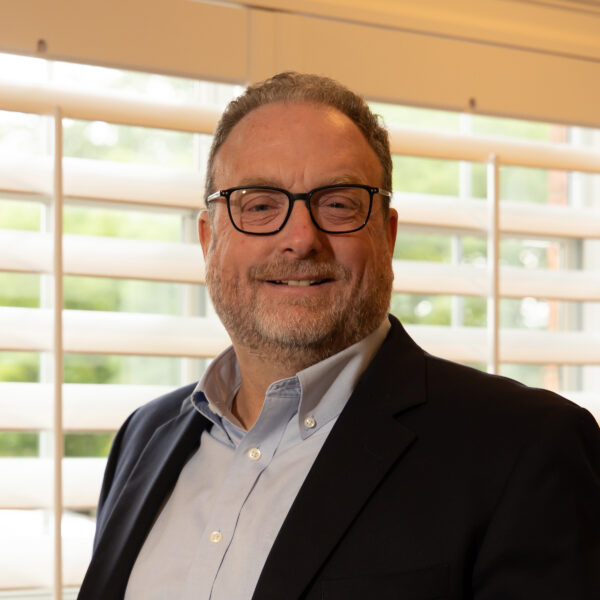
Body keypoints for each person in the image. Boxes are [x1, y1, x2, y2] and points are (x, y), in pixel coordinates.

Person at [78, 72, 600, 600]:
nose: (301, 238)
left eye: (338, 204)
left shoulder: (527, 446)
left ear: (387, 236)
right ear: (208, 239)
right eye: (259, 205)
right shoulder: (143, 436)